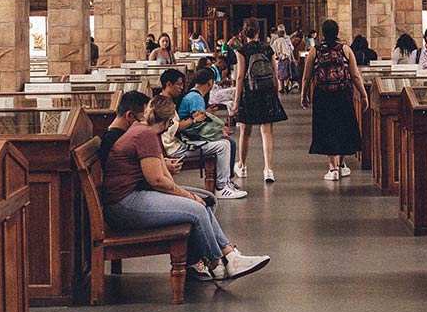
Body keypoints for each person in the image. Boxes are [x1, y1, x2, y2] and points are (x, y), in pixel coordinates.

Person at [102, 95, 270, 281]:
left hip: (127, 200)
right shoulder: (146, 135)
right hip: (124, 205)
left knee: (204, 201)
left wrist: (186, 195)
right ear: (169, 121)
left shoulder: (144, 131)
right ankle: (217, 263)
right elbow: (157, 180)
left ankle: (229, 256)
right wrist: (187, 196)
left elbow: (162, 173)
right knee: (197, 209)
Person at [160, 69, 245, 199]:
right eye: (178, 84)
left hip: (180, 143)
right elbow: (174, 127)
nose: (181, 88)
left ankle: (225, 182)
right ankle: (222, 187)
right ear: (168, 84)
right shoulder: (164, 105)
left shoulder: (167, 102)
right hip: (176, 148)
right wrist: (194, 120)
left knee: (225, 144)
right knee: (224, 145)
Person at [301, 20, 369, 180]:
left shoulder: (315, 51)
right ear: (337, 32)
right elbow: (355, 75)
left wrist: (303, 95)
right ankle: (342, 164)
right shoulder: (345, 49)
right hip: (343, 93)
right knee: (343, 127)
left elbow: (307, 76)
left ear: (322, 33)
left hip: (323, 95)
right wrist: (364, 94)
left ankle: (332, 168)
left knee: (327, 128)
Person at [232, 18, 288, 183]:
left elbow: (241, 76)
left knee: (245, 131)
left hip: (249, 93)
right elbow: (274, 71)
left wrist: (236, 101)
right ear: (258, 32)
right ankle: (268, 169)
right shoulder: (267, 48)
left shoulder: (242, 51)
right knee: (267, 131)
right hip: (266, 92)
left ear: (244, 32)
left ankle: (242, 166)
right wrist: (277, 93)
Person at [99, 90, 153, 166]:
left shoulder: (114, 136)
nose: (145, 124)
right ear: (130, 115)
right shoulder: (112, 140)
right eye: (143, 119)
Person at [270, 26, 295, 93]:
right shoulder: (285, 41)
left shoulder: (275, 42)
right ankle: (286, 86)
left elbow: (273, 50)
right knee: (286, 75)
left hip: (278, 61)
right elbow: (287, 51)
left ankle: (281, 88)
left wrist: (277, 56)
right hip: (285, 59)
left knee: (280, 75)